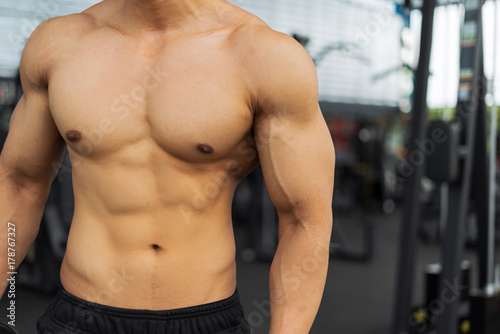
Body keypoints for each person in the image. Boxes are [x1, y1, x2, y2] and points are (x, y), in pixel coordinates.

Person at [0, 0, 335, 333]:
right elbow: (19, 184)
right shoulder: (59, 44)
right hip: (79, 317)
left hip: (203, 320)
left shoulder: (264, 56)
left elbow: (304, 220)